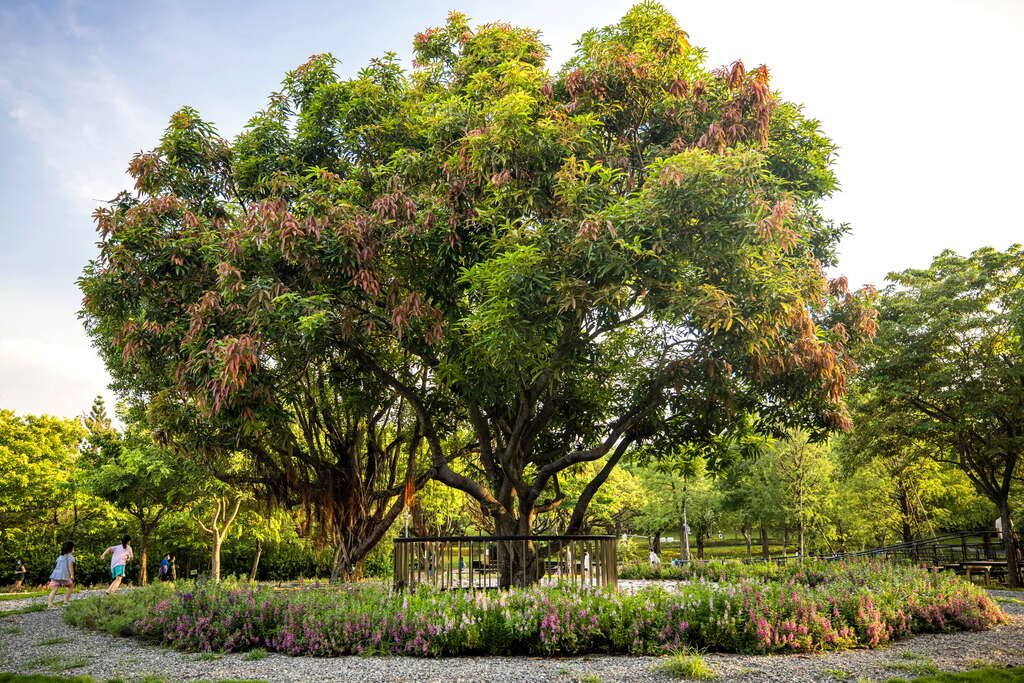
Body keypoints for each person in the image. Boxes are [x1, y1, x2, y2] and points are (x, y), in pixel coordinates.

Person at [46, 542, 75, 608]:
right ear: (70, 549)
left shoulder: (60, 557)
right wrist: (72, 575)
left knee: (54, 590)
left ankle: (50, 604)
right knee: (71, 585)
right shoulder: (70, 557)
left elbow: (57, 565)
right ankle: (65, 601)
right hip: (63, 576)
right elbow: (70, 567)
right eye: (73, 547)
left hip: (55, 576)